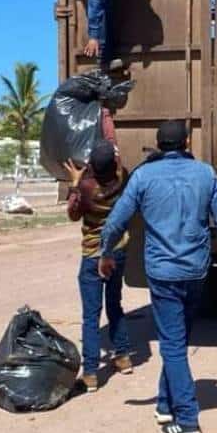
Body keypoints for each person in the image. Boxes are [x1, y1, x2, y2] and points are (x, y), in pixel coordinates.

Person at [99, 120, 217, 433]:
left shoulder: (143, 177)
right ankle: (165, 404)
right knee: (177, 339)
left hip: (164, 275)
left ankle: (187, 419)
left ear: (158, 144)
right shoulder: (205, 174)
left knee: (172, 344)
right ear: (187, 142)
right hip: (196, 272)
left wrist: (106, 253)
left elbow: (115, 222)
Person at [64, 141, 133, 393]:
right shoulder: (121, 179)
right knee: (115, 304)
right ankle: (123, 357)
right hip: (117, 251)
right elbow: (117, 162)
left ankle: (91, 373)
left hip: (93, 255)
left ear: (92, 166)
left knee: (91, 316)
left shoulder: (86, 188)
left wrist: (74, 182)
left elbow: (72, 214)